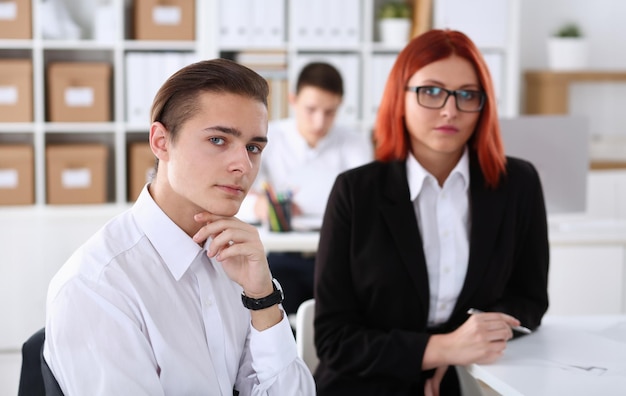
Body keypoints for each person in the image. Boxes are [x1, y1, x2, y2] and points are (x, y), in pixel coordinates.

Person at [43, 58, 316, 395]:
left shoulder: (239, 265)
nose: (243, 165)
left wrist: (262, 297)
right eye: (218, 140)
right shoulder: (98, 286)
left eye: (253, 147)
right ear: (160, 141)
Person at [313, 29, 549, 396]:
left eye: (467, 95)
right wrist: (441, 348)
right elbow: (334, 339)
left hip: (467, 379)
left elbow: (530, 300)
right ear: (399, 97)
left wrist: (464, 345)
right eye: (432, 91)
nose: (449, 110)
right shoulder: (356, 192)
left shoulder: (517, 184)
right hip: (362, 384)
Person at [240, 61, 373, 315]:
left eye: (330, 112)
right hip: (283, 256)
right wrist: (259, 206)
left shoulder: (354, 143)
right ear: (293, 100)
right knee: (273, 319)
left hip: (338, 257)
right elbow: (239, 196)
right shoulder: (269, 138)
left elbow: (367, 204)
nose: (319, 121)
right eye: (311, 109)